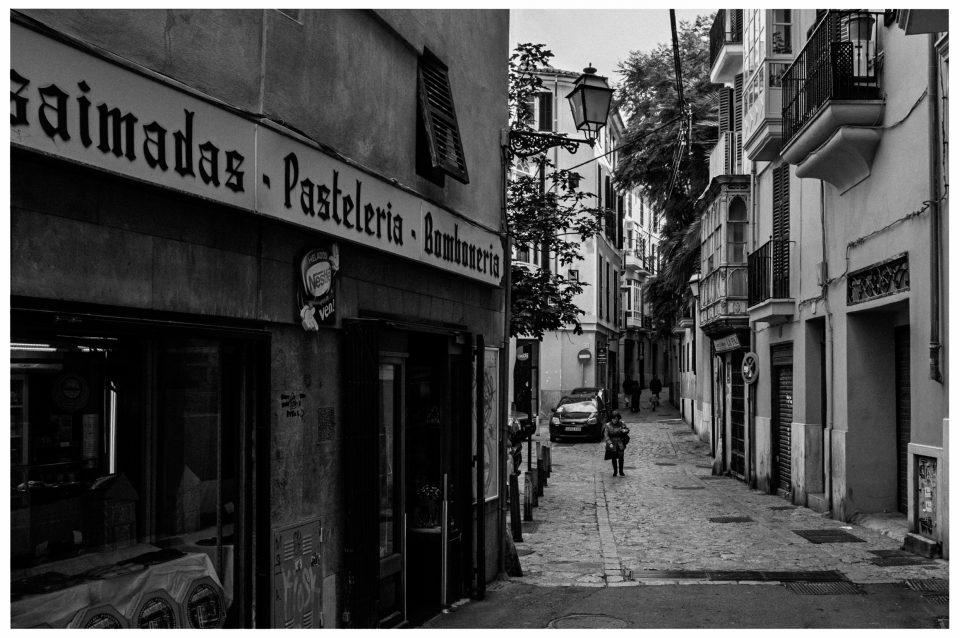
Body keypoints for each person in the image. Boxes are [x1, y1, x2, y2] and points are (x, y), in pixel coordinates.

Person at [603, 411, 630, 477]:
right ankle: (615, 471)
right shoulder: (608, 425)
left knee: (621, 457)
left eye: (616, 419)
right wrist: (609, 443)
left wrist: (625, 431)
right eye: (614, 419)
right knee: (613, 457)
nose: (615, 420)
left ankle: (621, 471)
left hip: (620, 443)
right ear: (611, 419)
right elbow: (606, 435)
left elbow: (627, 430)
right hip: (612, 443)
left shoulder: (622, 423)